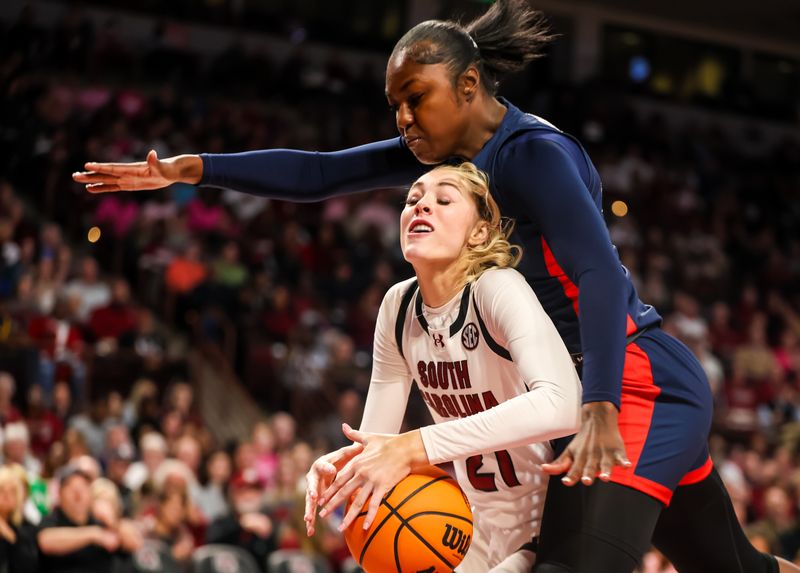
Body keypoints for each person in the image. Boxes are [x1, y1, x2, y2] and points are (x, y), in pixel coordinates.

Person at [72, 1, 797, 571]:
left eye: (415, 99)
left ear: (470, 86)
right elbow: (322, 172)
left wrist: (602, 403)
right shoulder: (453, 162)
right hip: (593, 382)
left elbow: (600, 272)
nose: (404, 119)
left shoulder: (534, 156)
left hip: (632, 382)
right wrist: (189, 166)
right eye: (395, 105)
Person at [308, 163, 581, 572]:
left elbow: (564, 403)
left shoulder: (496, 288)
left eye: (443, 199)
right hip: (465, 523)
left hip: (545, 526)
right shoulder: (398, 307)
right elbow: (379, 443)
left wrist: (418, 444)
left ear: (479, 232)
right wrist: (345, 465)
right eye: (412, 199)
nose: (420, 207)